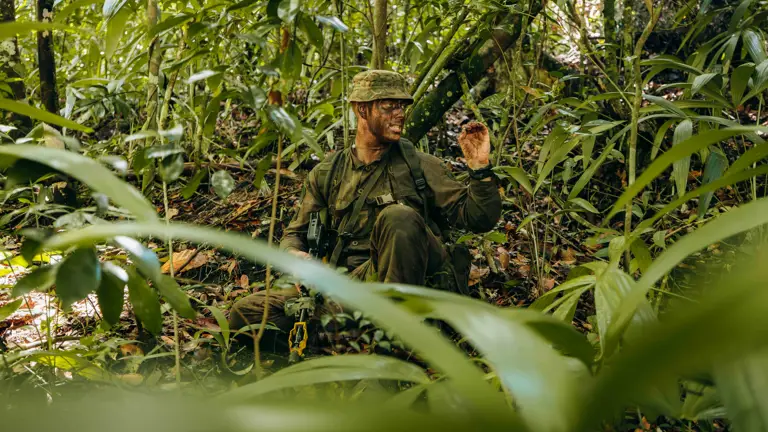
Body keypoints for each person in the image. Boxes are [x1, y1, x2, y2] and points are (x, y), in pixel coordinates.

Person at [229, 70, 502, 350]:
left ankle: (393, 342)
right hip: (346, 288)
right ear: (362, 109)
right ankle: (343, 337)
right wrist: (296, 257)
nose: (400, 114)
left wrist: (479, 168)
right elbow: (295, 233)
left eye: (402, 106)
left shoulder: (419, 166)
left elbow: (478, 218)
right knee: (245, 315)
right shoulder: (328, 172)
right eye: (389, 106)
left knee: (399, 217)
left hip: (408, 286)